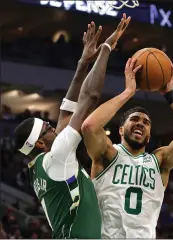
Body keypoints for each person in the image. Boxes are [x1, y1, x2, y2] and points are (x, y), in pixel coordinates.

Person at [13, 14, 131, 239]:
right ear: (39, 142)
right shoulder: (57, 155)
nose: (53, 126)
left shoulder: (43, 163)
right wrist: (107, 47)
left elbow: (67, 110)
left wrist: (83, 62)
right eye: (48, 128)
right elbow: (91, 96)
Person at [81, 58, 173, 238]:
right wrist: (128, 92)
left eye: (146, 123)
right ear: (121, 129)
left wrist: (170, 95)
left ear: (149, 134)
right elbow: (89, 126)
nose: (140, 124)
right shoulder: (108, 154)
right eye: (134, 119)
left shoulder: (160, 160)